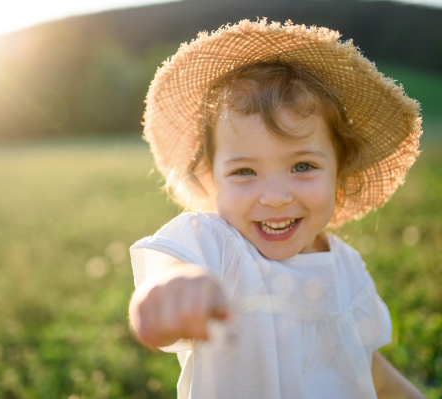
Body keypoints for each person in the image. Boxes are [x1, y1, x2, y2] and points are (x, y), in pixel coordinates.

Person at [128, 19, 425, 398]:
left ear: (340, 171)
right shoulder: (216, 245)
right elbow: (169, 276)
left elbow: (366, 365)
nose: (275, 197)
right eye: (244, 171)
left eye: (302, 166)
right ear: (211, 178)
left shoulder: (348, 270)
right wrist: (169, 291)